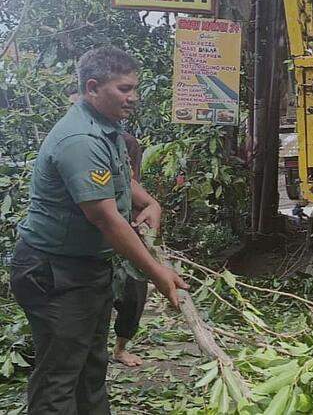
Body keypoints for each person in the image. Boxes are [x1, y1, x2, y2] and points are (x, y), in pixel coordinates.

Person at [10, 46, 188, 414]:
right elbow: (106, 219)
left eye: (135, 88)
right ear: (92, 88)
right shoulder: (80, 140)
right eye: (124, 89)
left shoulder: (105, 127)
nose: (133, 97)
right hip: (55, 273)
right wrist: (158, 274)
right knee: (60, 375)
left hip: (86, 269)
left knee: (91, 365)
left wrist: (151, 203)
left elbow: (118, 177)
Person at [111, 132, 148, 367]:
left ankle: (120, 348)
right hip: (96, 232)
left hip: (127, 228)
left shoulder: (127, 142)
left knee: (134, 293)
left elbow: (131, 183)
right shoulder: (80, 142)